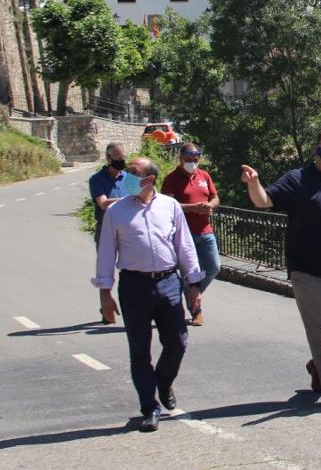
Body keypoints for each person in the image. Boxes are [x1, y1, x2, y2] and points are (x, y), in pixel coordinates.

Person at [241, 129, 321, 408]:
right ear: (316, 148)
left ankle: (318, 365)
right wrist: (254, 184)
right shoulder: (297, 179)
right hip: (308, 270)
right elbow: (264, 201)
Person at [93, 157, 203, 432]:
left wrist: (194, 285)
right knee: (140, 351)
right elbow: (106, 252)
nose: (126, 177)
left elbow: (185, 246)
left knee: (177, 342)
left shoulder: (170, 206)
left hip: (168, 282)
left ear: (150, 179)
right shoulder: (116, 211)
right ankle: (149, 407)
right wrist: (105, 294)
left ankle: (162, 382)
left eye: (133, 173)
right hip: (134, 285)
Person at [161, 143, 220, 326]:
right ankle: (196, 311)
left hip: (205, 230)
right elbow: (168, 205)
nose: (192, 163)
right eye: (188, 159)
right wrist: (192, 208)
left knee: (213, 267)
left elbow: (215, 197)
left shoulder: (204, 176)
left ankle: (193, 295)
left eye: (195, 159)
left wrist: (210, 206)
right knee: (189, 273)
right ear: (181, 158)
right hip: (183, 234)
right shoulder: (171, 178)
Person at [88, 142, 126, 323]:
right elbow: (103, 203)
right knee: (106, 269)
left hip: (128, 229)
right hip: (105, 229)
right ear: (108, 158)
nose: (121, 161)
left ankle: (130, 307)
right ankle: (106, 306)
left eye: (123, 158)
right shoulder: (97, 179)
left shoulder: (129, 177)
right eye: (118, 158)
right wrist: (128, 200)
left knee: (130, 269)